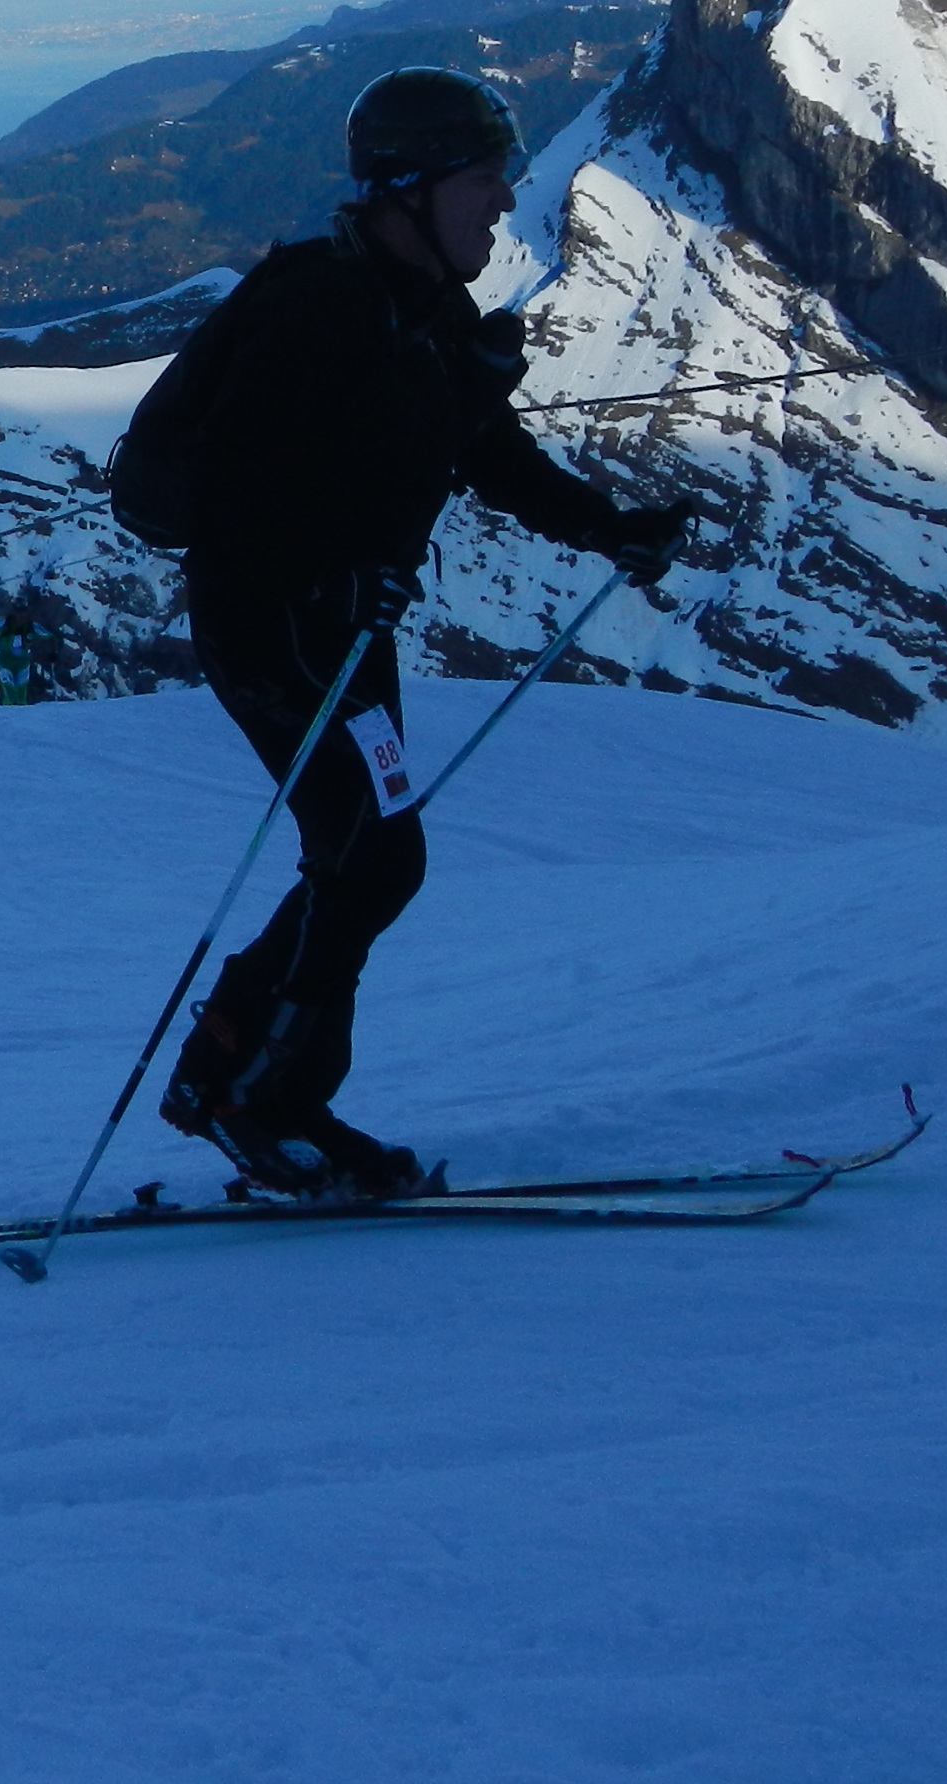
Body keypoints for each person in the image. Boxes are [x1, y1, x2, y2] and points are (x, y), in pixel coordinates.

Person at [154, 68, 686, 1200]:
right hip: (275, 630)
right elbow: (235, 496)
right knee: (369, 858)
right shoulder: (319, 308)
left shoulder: (422, 307)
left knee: (373, 859)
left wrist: (608, 527)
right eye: (482, 175)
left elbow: (485, 455)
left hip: (346, 633)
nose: (505, 197)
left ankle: (255, 1085)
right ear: (410, 188)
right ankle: (247, 1094)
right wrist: (329, 575)